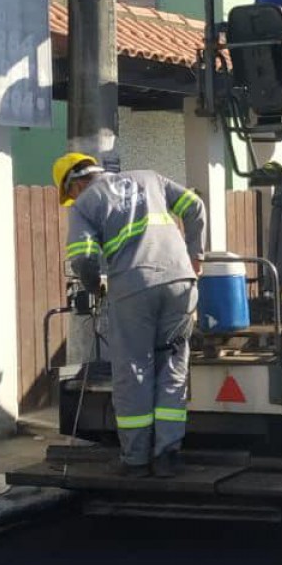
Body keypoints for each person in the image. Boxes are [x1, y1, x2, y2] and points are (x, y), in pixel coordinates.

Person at [55, 152, 207, 479]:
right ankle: (167, 456)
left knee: (134, 370)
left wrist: (95, 287)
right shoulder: (150, 178)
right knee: (173, 366)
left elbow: (82, 259)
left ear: (75, 184)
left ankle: (136, 459)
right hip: (181, 282)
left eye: (71, 195)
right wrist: (196, 256)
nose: (73, 200)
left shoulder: (85, 204)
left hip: (133, 289)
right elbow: (195, 206)